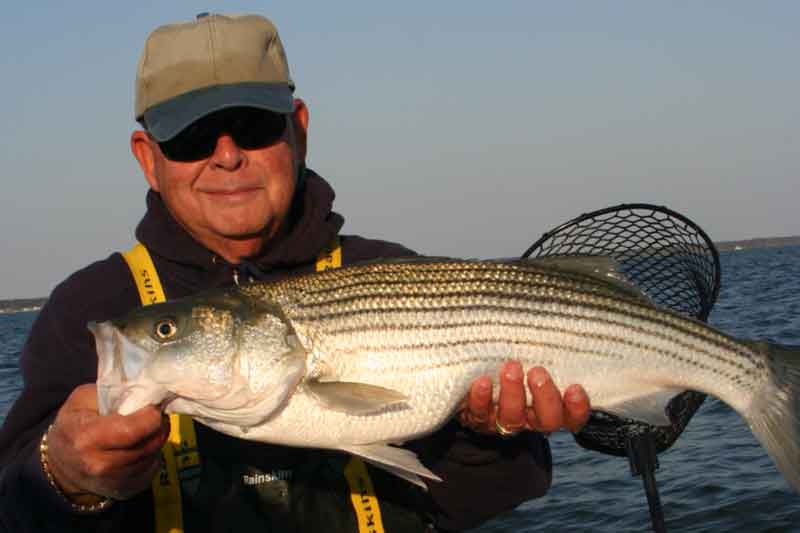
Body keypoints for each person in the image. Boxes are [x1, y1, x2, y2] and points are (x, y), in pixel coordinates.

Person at [0, 13, 590, 533]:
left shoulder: (389, 271)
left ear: (298, 130)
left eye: (253, 127)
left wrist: (487, 435)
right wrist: (64, 475)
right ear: (147, 158)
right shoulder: (89, 307)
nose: (227, 156)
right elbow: (12, 504)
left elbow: (476, 501)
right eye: (190, 138)